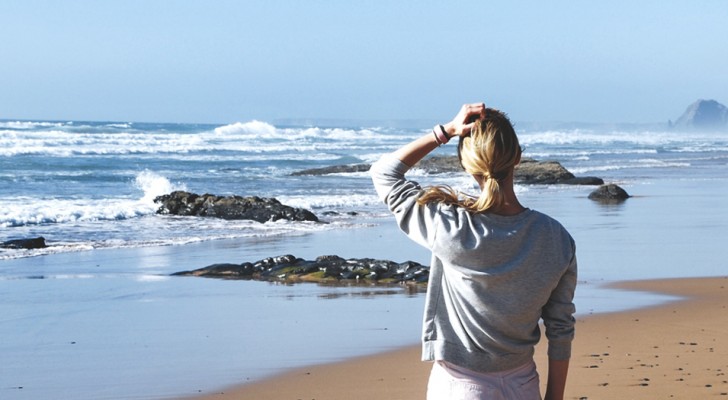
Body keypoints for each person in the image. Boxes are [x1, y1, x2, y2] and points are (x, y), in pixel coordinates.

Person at [370, 103, 577, 400]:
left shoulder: (451, 227)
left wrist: (446, 131)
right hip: (523, 385)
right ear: (517, 157)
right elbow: (560, 329)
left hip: (460, 386)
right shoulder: (556, 238)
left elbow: (384, 173)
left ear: (467, 165)